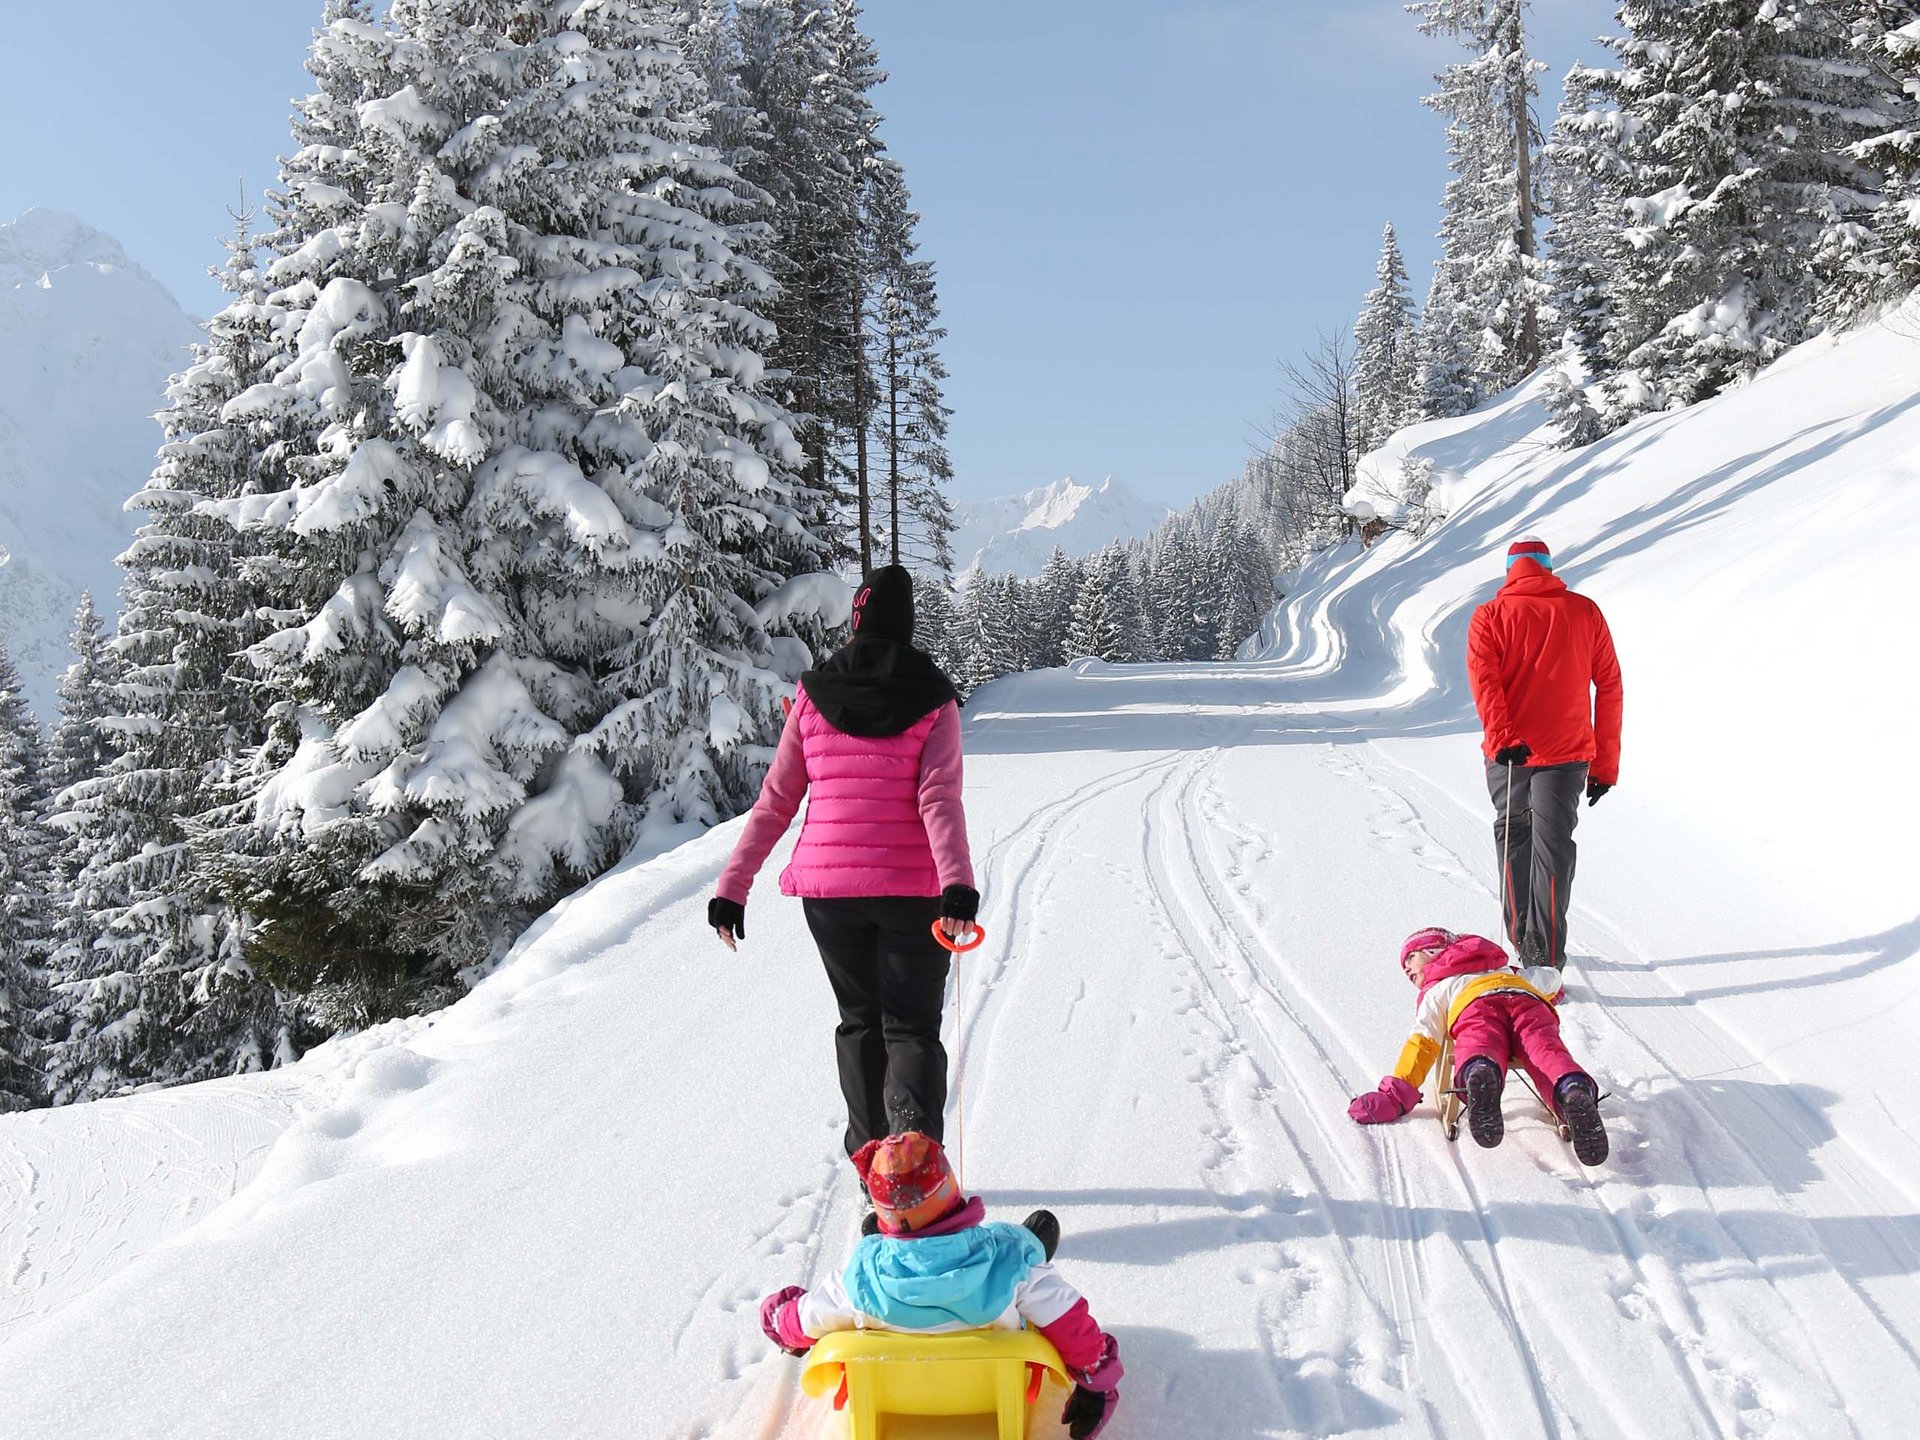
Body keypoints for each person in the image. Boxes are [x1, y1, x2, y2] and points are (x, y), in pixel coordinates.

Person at [709, 565, 979, 1158]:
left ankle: (871, 1166)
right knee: (908, 1028)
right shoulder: (933, 697)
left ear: (856, 622)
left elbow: (776, 800)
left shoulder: (814, 694)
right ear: (905, 628)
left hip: (830, 898)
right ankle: (912, 1175)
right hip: (911, 895)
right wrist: (957, 885)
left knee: (860, 1024)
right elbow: (939, 798)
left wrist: (733, 886)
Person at [759, 1132, 1124, 1440]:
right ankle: (1035, 1242)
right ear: (950, 1190)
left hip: (898, 1398)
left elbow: (803, 1320)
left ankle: (904, 1245)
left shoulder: (863, 1280)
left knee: (880, 1250)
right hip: (986, 1394)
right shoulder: (1009, 1263)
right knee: (1027, 1241)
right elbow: (1070, 1322)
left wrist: (779, 1317)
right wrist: (1097, 1381)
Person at [1466, 536, 1623, 968]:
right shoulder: (1584, 611)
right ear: (1549, 569)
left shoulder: (1489, 616)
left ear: (1509, 573)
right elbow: (1608, 685)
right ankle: (1545, 959)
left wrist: (1502, 739)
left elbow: (1485, 683)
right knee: (1552, 848)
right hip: (1567, 755)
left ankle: (1522, 942)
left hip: (1508, 758)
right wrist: (1606, 765)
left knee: (1513, 838)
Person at [1347, 927, 1609, 1165]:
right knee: (1545, 1050)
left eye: (1410, 959)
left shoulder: (1438, 987)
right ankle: (1572, 1089)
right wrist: (1554, 992)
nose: (1406, 969)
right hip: (1527, 1000)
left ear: (1433, 951)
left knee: (1479, 1039)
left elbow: (1423, 1042)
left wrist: (1394, 1097)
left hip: (1475, 1005)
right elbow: (1549, 976)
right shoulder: (1503, 968)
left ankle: (1480, 1072)